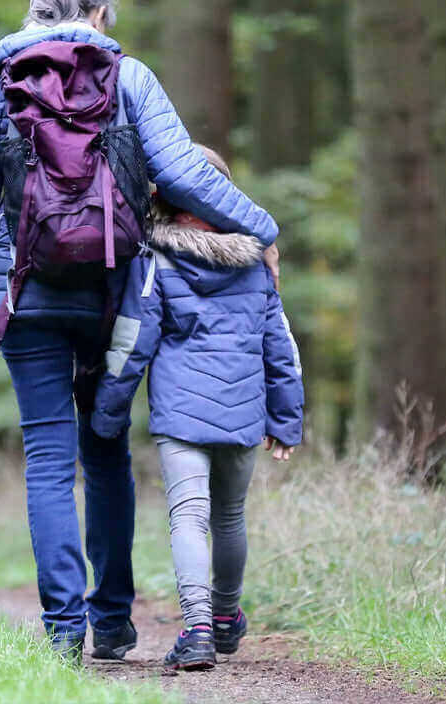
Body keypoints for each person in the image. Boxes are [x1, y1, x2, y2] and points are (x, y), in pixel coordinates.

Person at [0, 0, 281, 664]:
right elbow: (187, 173)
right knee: (105, 452)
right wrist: (262, 229)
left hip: (27, 295)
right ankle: (115, 622)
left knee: (46, 457)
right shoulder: (130, 78)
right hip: (115, 294)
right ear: (99, 14)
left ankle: (64, 630)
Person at [91, 146, 304, 671]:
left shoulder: (155, 259)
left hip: (182, 416)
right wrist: (286, 417)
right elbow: (282, 347)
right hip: (243, 410)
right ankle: (228, 618)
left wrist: (107, 412)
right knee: (229, 517)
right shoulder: (256, 263)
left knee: (189, 517)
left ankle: (199, 629)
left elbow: (131, 340)